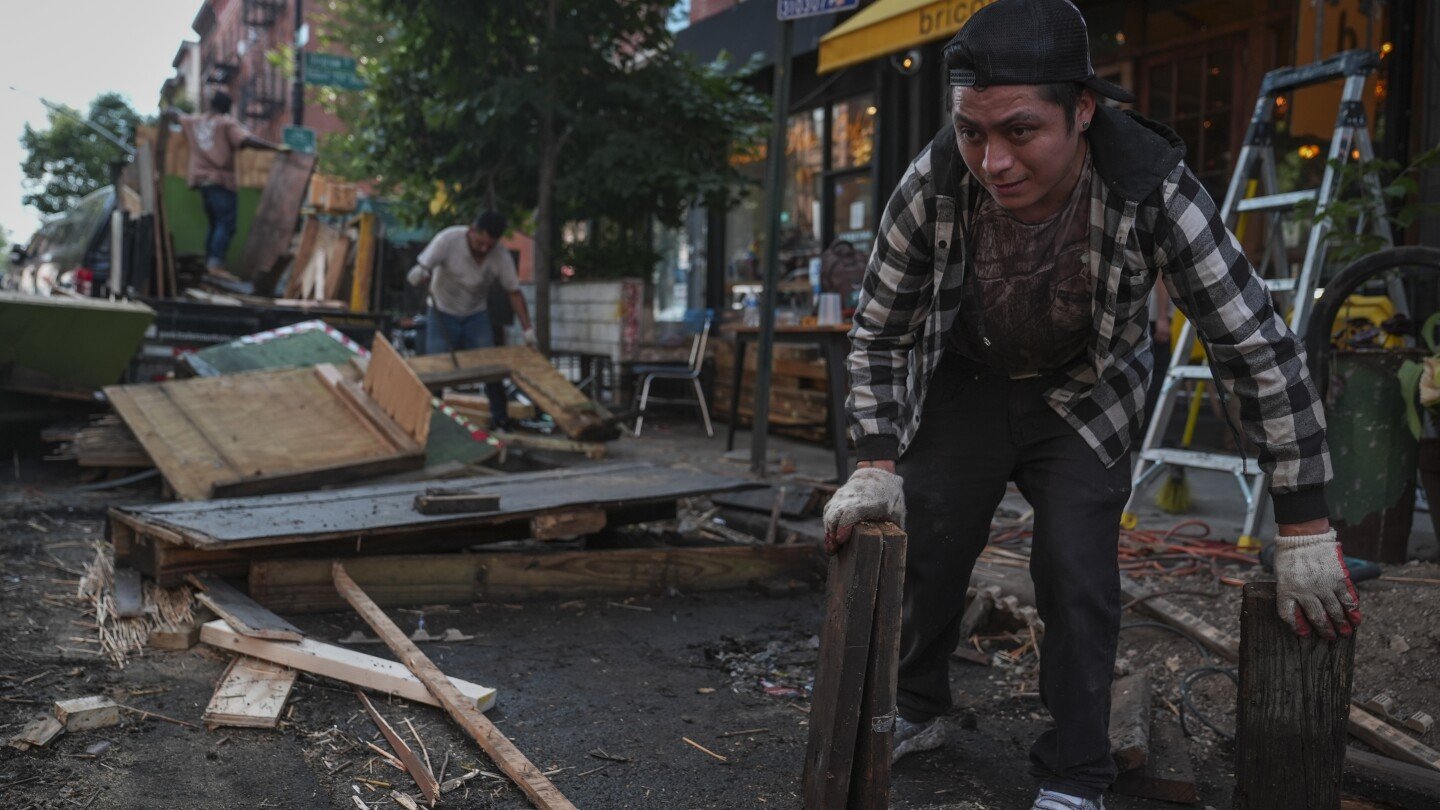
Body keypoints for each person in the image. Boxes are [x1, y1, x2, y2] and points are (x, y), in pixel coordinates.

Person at [821, 2, 1361, 807]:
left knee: (1075, 571)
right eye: (973, 132)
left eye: (1019, 131)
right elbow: (878, 333)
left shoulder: (1153, 186)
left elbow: (1251, 343)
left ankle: (1075, 773)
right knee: (928, 547)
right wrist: (873, 457)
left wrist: (1306, 520)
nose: (993, 161)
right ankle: (922, 705)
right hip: (967, 380)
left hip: (1087, 391)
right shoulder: (934, 182)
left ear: (1082, 110)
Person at [407, 211, 535, 430]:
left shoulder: (500, 256)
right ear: (471, 230)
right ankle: (432, 420)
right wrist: (418, 272)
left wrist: (528, 329)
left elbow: (514, 292)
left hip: (476, 315)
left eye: (490, 245)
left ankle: (500, 417)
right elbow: (424, 266)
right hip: (442, 312)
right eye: (480, 243)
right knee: (437, 368)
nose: (484, 249)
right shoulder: (447, 240)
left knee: (490, 367)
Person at [169, 91, 283, 276]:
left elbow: (175, 115)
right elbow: (246, 140)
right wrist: (275, 148)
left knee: (215, 224)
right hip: (221, 180)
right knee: (226, 223)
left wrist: (169, 106)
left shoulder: (194, 121)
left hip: (202, 181)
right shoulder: (225, 123)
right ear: (228, 107)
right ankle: (215, 263)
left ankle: (209, 262)